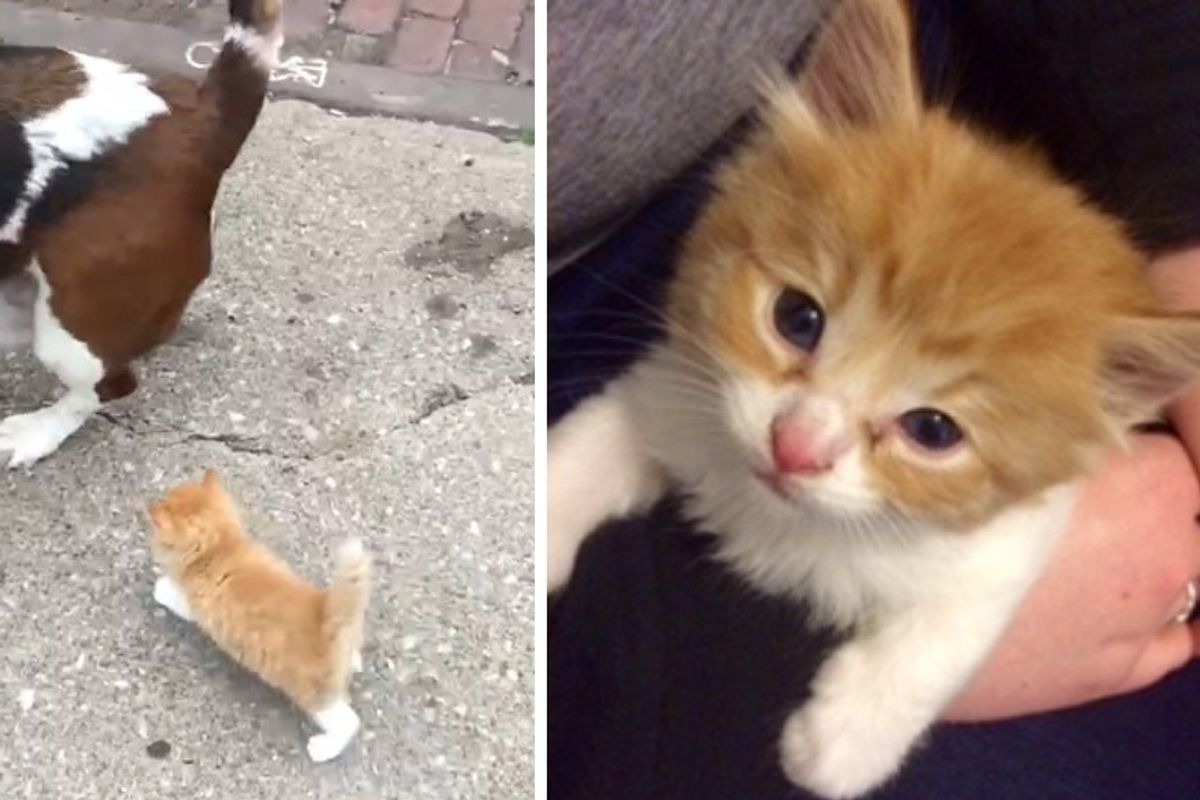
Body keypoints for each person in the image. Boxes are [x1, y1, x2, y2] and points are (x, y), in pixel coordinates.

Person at [548, 1, 1200, 797]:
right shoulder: (786, 208)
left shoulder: (997, 498)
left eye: (930, 427)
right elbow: (633, 421)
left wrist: (897, 689)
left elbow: (996, 564)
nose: (799, 443)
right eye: (800, 319)